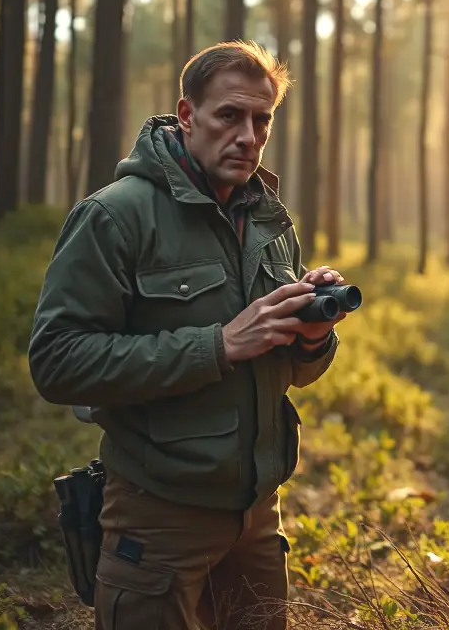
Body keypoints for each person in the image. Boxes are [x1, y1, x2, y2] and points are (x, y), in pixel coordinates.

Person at [28, 40, 346, 630]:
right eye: (229, 115)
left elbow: (296, 374)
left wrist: (312, 337)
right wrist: (218, 345)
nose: (247, 136)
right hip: (158, 517)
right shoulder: (116, 215)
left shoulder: (270, 221)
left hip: (258, 516)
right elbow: (57, 361)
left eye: (262, 120)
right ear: (187, 115)